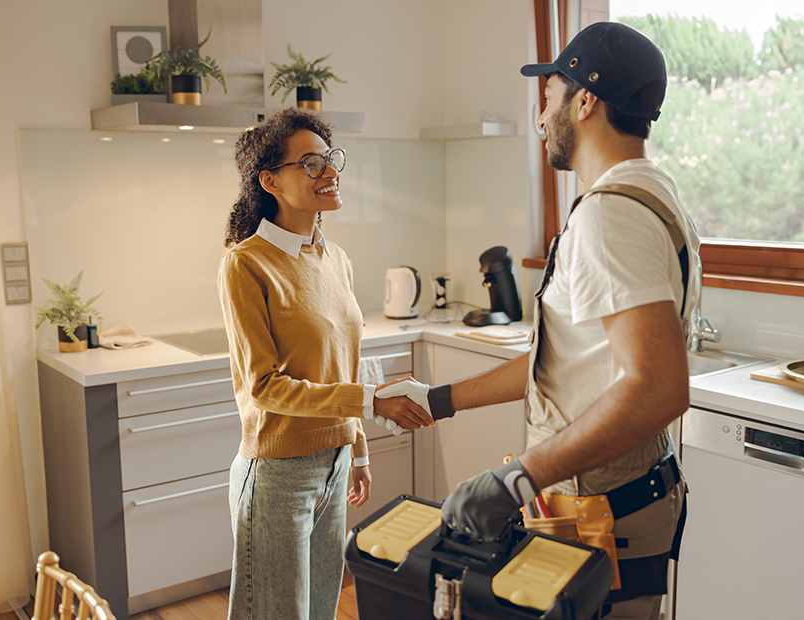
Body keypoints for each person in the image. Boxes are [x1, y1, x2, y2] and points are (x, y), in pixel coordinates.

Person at [395, 22, 701, 620]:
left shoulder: (610, 216)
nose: (541, 119)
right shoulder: (654, 194)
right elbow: (568, 364)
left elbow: (660, 385)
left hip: (604, 507)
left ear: (585, 101)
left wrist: (519, 478)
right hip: (621, 496)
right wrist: (439, 399)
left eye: (548, 98)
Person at [218, 107, 434, 620]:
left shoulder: (336, 259)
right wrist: (370, 403)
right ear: (270, 180)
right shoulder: (246, 264)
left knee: (320, 612)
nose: (329, 172)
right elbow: (266, 387)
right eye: (310, 164)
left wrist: (357, 450)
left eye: (330, 159)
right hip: (276, 476)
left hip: (335, 466)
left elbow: (347, 364)